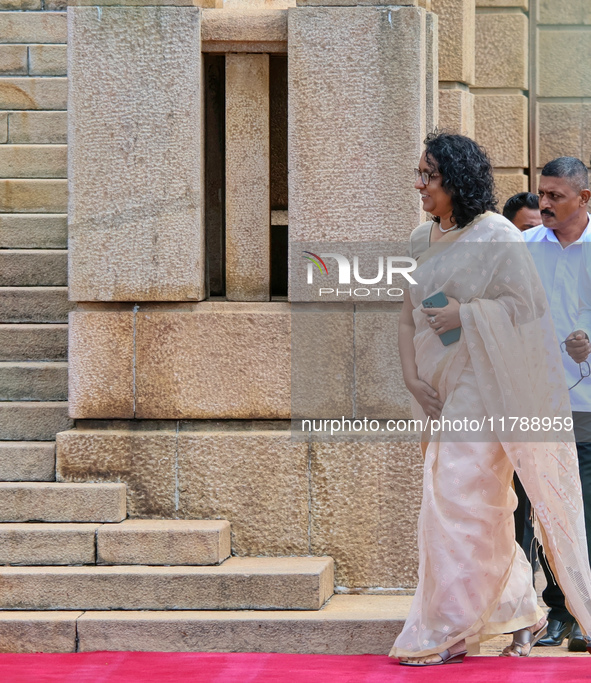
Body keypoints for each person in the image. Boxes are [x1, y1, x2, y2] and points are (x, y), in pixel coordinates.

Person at [391, 133, 591, 666]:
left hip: (487, 386)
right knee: (471, 507)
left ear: (455, 180)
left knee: (455, 498)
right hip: (440, 386)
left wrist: (466, 314)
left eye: (428, 176)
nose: (419, 185)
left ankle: (452, 628)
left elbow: (526, 310)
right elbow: (409, 314)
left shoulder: (498, 234)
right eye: (419, 174)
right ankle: (520, 610)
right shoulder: (419, 240)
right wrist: (411, 378)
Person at [522, 157, 591, 651]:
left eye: (555, 196)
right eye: (541, 194)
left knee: (585, 509)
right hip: (538, 401)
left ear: (585, 198)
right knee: (546, 509)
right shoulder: (523, 248)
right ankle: (560, 612)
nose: (543, 203)